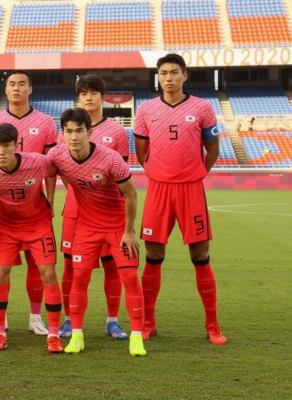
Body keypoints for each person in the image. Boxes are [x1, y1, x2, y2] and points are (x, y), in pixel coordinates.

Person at [134, 53, 227, 345]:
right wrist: (156, 172)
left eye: (174, 72)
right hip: (159, 189)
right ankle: (148, 322)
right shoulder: (146, 109)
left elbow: (212, 146)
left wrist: (198, 172)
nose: (169, 78)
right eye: (163, 73)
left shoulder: (202, 107)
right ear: (158, 77)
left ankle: (212, 325)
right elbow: (141, 149)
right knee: (153, 255)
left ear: (185, 75)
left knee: (200, 255)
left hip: (190, 189)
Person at [47, 108, 146, 356]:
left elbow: (131, 195)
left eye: (79, 131)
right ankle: (77, 336)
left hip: (116, 228)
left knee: (130, 278)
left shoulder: (111, 158)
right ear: (62, 133)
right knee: (79, 278)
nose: (74, 136)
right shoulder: (57, 156)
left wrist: (128, 231)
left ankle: (136, 338)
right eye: (68, 131)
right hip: (87, 228)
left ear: (89, 132)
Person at [0, 123, 63, 353]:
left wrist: (52, 199)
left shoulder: (38, 162)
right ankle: (0, 332)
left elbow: (60, 169)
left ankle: (53, 335)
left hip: (38, 224)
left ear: (16, 145)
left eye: (6, 146)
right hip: (7, 226)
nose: (1, 151)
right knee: (1, 272)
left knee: (48, 272)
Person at [0, 70, 57, 336]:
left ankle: (35, 317)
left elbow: (51, 166)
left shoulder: (46, 121)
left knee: (38, 264)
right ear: (5, 90)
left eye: (21, 84)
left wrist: (49, 201)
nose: (16, 88)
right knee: (1, 266)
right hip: (3, 210)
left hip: (34, 206)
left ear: (30, 89)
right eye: (11, 84)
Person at [59, 74, 130, 340]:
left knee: (112, 266)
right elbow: (64, 169)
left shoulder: (117, 132)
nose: (88, 97)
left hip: (109, 213)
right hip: (76, 210)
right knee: (70, 266)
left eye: (94, 92)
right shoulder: (65, 129)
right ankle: (69, 320)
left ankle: (112, 320)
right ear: (78, 97)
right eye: (83, 93)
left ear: (103, 96)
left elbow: (121, 178)